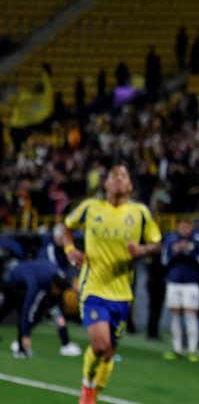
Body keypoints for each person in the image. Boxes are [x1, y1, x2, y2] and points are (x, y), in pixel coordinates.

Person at [63, 162, 163, 404]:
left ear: (129, 185)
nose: (118, 178)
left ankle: (95, 391)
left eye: (123, 176)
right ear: (106, 184)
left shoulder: (140, 213)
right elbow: (66, 226)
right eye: (113, 175)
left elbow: (157, 244)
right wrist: (69, 249)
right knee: (100, 345)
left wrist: (142, 250)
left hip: (122, 293)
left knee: (108, 352)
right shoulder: (90, 208)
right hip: (93, 287)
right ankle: (87, 389)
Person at [0, 258, 73, 358]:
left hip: (26, 283)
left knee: (52, 311)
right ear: (54, 286)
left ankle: (66, 343)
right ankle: (21, 346)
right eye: (59, 291)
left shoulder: (57, 280)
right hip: (12, 283)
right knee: (11, 309)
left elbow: (57, 310)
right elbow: (28, 308)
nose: (59, 294)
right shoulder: (35, 283)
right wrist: (25, 334)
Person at [161, 219, 199, 361]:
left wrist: (187, 252)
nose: (184, 229)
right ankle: (177, 349)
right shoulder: (171, 239)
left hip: (191, 284)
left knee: (190, 315)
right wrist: (176, 252)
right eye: (181, 227)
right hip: (174, 282)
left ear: (191, 228)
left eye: (186, 227)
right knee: (175, 315)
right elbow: (164, 261)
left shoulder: (198, 240)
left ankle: (192, 350)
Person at [43, 223, 83, 356]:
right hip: (45, 287)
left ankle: (65, 343)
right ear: (56, 236)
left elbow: (69, 267)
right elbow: (53, 269)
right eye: (63, 237)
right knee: (56, 314)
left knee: (51, 314)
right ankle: (65, 344)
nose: (64, 240)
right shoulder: (50, 248)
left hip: (56, 288)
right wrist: (71, 284)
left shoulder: (64, 249)